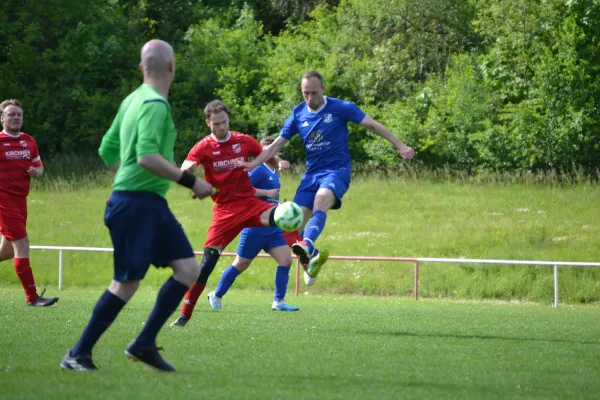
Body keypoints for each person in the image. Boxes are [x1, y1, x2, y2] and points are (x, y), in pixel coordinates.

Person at [60, 39, 214, 372]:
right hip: (136, 204)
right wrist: (192, 181)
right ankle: (78, 353)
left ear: (142, 68)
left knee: (188, 269)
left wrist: (125, 183)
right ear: (172, 66)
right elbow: (146, 157)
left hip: (145, 202)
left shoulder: (131, 100)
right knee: (126, 282)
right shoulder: (156, 104)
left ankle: (144, 343)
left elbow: (106, 150)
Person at [241, 70, 415, 286]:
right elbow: (275, 146)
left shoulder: (341, 107)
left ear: (323, 89)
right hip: (311, 175)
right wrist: (252, 163)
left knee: (321, 201)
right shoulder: (298, 114)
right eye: (305, 93)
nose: (310, 98)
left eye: (314, 93)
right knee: (290, 224)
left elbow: (372, 125)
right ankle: (312, 257)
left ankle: (307, 243)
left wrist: (400, 145)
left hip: (337, 171)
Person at [170, 100, 290, 328]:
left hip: (250, 204)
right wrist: (189, 173)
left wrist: (278, 162)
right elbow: (186, 166)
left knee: (286, 214)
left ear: (228, 119)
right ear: (208, 123)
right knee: (206, 265)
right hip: (224, 212)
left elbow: (266, 154)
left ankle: (305, 248)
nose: (221, 127)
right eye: (216, 124)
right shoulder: (203, 146)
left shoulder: (242, 140)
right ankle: (185, 314)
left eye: (224, 122)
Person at [206, 135, 299, 312]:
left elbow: (271, 198)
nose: (276, 153)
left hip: (272, 228)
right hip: (255, 227)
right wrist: (267, 192)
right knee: (241, 264)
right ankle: (216, 294)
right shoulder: (258, 170)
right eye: (271, 150)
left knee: (286, 260)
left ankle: (278, 302)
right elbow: (241, 190)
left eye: (276, 150)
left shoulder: (274, 172)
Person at [0, 99, 59, 307]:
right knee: (23, 244)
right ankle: (33, 298)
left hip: (20, 201)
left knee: (7, 251)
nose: (16, 118)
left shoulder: (29, 141)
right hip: (3, 201)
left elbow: (39, 167)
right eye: (11, 114)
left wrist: (37, 172)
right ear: (2, 118)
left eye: (19, 115)